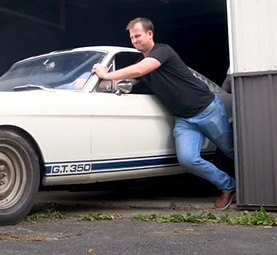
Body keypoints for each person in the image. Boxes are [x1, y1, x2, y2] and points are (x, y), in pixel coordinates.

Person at [91, 17, 236, 210]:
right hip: (184, 119)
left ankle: (258, 189)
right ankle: (228, 186)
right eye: (132, 37)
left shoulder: (163, 51)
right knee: (187, 159)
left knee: (233, 151)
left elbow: (141, 68)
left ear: (150, 34)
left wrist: (107, 74)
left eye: (138, 36)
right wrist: (94, 80)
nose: (134, 40)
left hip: (207, 109)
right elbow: (127, 81)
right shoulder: (140, 64)